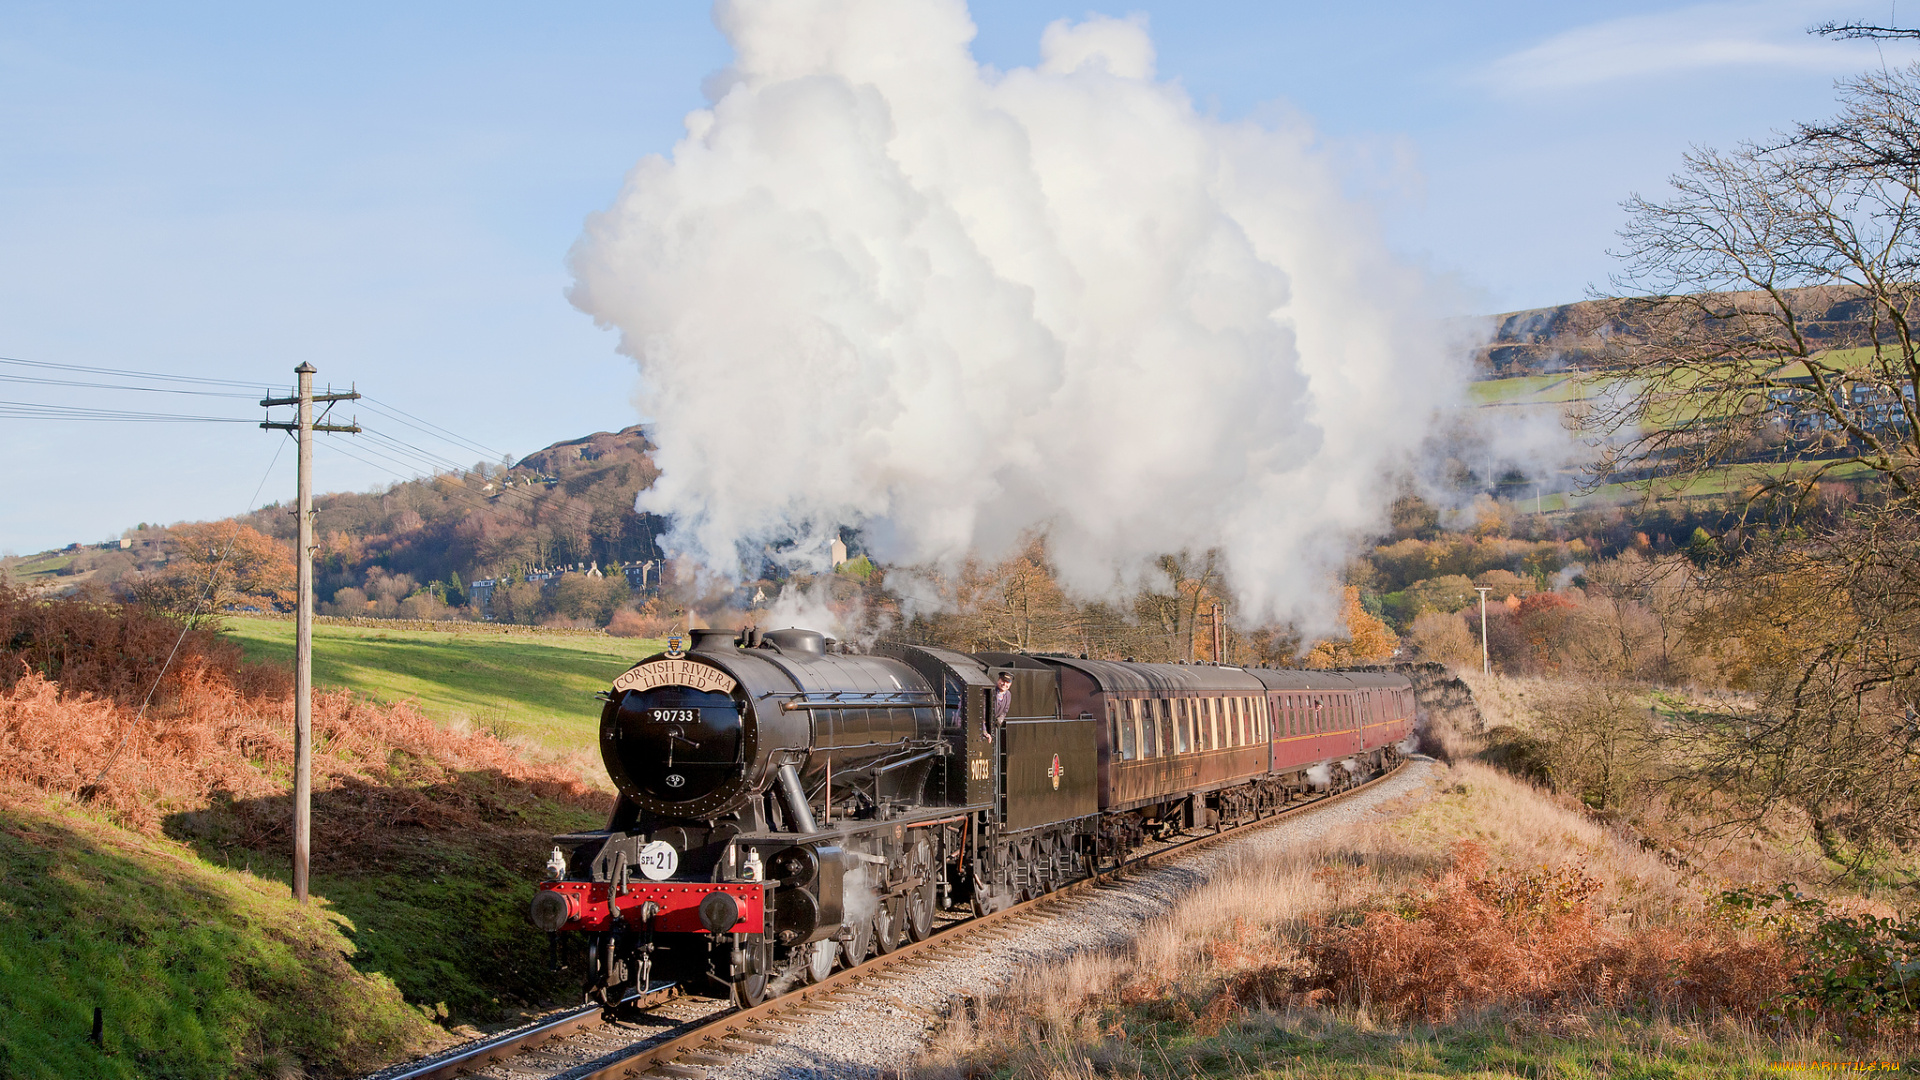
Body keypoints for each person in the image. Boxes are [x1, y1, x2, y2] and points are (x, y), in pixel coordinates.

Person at [986, 671, 1013, 743]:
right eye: (1003, 681)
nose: (1004, 684)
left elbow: (1005, 710)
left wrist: (1000, 719)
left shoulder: (1008, 694)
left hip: (994, 727)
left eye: (1007, 682)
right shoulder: (991, 691)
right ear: (999, 680)